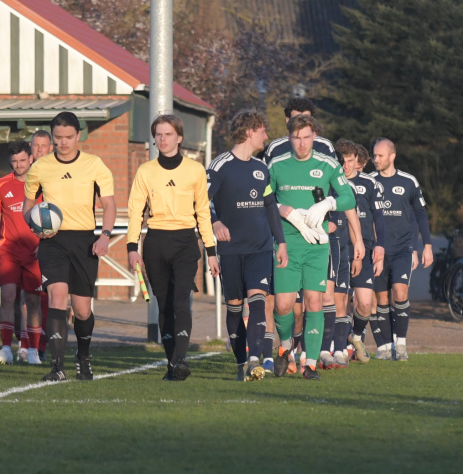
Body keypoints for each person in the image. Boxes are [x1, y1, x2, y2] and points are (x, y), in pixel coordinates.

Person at [23, 111, 116, 382]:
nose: (63, 143)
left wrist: (105, 236)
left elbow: (109, 204)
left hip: (85, 241)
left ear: (78, 136)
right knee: (58, 298)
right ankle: (57, 367)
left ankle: (83, 357)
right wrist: (34, 223)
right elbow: (28, 206)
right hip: (53, 241)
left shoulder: (94, 164)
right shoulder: (39, 167)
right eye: (58, 138)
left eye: (68, 137)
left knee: (82, 309)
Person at [127, 114, 221, 381]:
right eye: (158, 134)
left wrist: (211, 252)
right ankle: (173, 364)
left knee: (181, 300)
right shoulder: (145, 171)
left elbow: (203, 212)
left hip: (184, 242)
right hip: (155, 242)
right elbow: (135, 212)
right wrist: (132, 247)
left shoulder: (195, 170)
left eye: (168, 134)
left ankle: (180, 360)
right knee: (164, 305)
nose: (163, 139)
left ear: (179, 138)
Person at [268, 114, 357, 380]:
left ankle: (310, 364)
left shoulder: (328, 164)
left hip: (317, 245)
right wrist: (283, 209)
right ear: (290, 138)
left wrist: (328, 203)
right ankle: (285, 348)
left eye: (307, 137)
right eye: (297, 138)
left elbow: (348, 197)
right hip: (286, 244)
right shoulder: (277, 164)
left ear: (314, 137)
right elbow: (264, 199)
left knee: (314, 302)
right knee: (284, 306)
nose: (302, 143)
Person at [205, 111, 288, 380]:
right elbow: (200, 203)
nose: (266, 135)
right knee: (234, 306)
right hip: (230, 250)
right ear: (250, 132)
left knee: (258, 301)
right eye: (263, 130)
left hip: (260, 248)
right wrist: (215, 222)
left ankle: (255, 360)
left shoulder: (261, 168)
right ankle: (242, 361)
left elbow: (270, 207)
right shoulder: (219, 166)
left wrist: (281, 242)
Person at [369, 138, 433, 361]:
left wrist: (426, 246)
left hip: (403, 248)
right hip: (378, 252)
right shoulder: (369, 182)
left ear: (392, 156)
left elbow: (421, 214)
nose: (375, 159)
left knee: (400, 292)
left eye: (379, 155)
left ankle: (402, 345)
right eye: (374, 156)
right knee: (382, 298)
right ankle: (386, 347)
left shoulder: (409, 181)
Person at [0, 140, 43, 366]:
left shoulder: (42, 183)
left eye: (23, 160)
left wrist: (46, 241)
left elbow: (51, 214)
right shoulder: (2, 185)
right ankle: (5, 349)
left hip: (35, 252)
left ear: (30, 158)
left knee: (32, 300)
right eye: (14, 161)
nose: (19, 165)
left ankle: (32, 351)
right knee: (8, 297)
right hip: (8, 251)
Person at [337, 140, 385, 363]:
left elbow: (379, 218)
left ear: (358, 161)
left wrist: (380, 247)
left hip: (363, 248)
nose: (346, 166)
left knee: (365, 303)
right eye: (343, 161)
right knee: (340, 302)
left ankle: (355, 336)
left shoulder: (369, 183)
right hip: (338, 247)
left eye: (350, 161)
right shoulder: (331, 182)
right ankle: (338, 349)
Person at [28, 129, 54, 362]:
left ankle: (47, 343)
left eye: (43, 146)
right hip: (21, 248)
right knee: (22, 300)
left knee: (49, 296)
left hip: (50, 245)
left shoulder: (55, 177)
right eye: (35, 145)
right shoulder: (25, 177)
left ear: (51, 148)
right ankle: (24, 345)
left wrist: (43, 240)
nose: (39, 150)